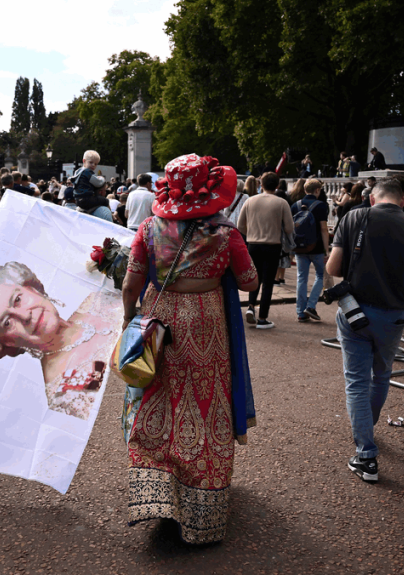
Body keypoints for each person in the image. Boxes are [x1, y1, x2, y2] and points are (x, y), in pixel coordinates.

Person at [120, 153, 259, 544]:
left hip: (159, 319)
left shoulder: (149, 228)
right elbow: (249, 281)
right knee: (205, 400)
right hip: (206, 322)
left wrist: (129, 321)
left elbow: (131, 284)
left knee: (158, 397)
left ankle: (158, 495)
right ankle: (203, 509)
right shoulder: (225, 232)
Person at [325, 178, 404, 482]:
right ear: (403, 200)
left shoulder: (354, 217)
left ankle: (365, 453)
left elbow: (333, 268)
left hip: (355, 311)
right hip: (393, 314)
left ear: (372, 198)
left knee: (357, 382)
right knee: (382, 373)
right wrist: (403, 284)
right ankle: (366, 428)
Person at [0, 262, 123, 420]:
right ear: (6, 343)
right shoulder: (65, 391)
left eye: (17, 300)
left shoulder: (96, 301)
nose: (24, 316)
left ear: (32, 289)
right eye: (7, 323)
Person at [237, 171, 293, 329]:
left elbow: (240, 226)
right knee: (268, 282)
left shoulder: (250, 201)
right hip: (272, 244)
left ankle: (250, 306)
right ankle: (262, 318)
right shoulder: (281, 202)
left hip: (253, 243)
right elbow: (289, 227)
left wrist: (252, 234)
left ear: (260, 184)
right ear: (277, 185)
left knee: (255, 278)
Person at [293, 179, 330, 323]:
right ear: (317, 190)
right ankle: (311, 306)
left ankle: (300, 312)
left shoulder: (295, 205)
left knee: (301, 277)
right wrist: (327, 249)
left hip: (299, 247)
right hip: (317, 247)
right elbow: (324, 229)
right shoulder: (321, 206)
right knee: (320, 276)